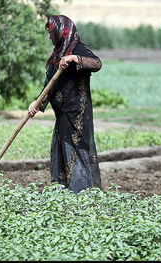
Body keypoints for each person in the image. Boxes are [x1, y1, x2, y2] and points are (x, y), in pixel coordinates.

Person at [28, 15, 102, 193]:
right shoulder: (57, 53)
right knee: (62, 149)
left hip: (77, 113)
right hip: (62, 113)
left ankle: (83, 193)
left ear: (61, 31)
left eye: (51, 33)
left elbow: (97, 63)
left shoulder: (77, 47)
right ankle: (63, 191)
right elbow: (50, 85)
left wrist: (75, 58)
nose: (50, 37)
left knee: (77, 151)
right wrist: (37, 102)